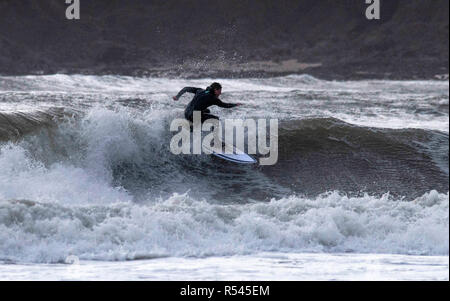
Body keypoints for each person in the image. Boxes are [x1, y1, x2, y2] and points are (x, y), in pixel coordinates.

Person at [173, 82, 241, 123]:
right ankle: (213, 141)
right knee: (215, 120)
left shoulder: (200, 90)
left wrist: (177, 96)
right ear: (215, 90)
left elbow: (186, 88)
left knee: (207, 111)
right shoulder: (213, 98)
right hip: (193, 116)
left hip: (186, 112)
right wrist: (236, 104)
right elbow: (225, 105)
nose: (220, 93)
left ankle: (194, 125)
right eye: (219, 91)